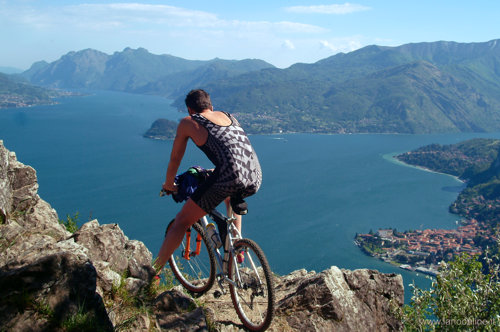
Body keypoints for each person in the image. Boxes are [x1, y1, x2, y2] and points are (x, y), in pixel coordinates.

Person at [153, 89, 262, 275]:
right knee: (230, 196)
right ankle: (236, 248)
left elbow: (175, 158)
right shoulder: (229, 116)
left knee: (181, 221)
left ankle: (152, 274)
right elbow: (235, 155)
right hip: (255, 174)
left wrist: (169, 184)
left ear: (189, 110)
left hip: (230, 176)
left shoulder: (189, 122)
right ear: (211, 106)